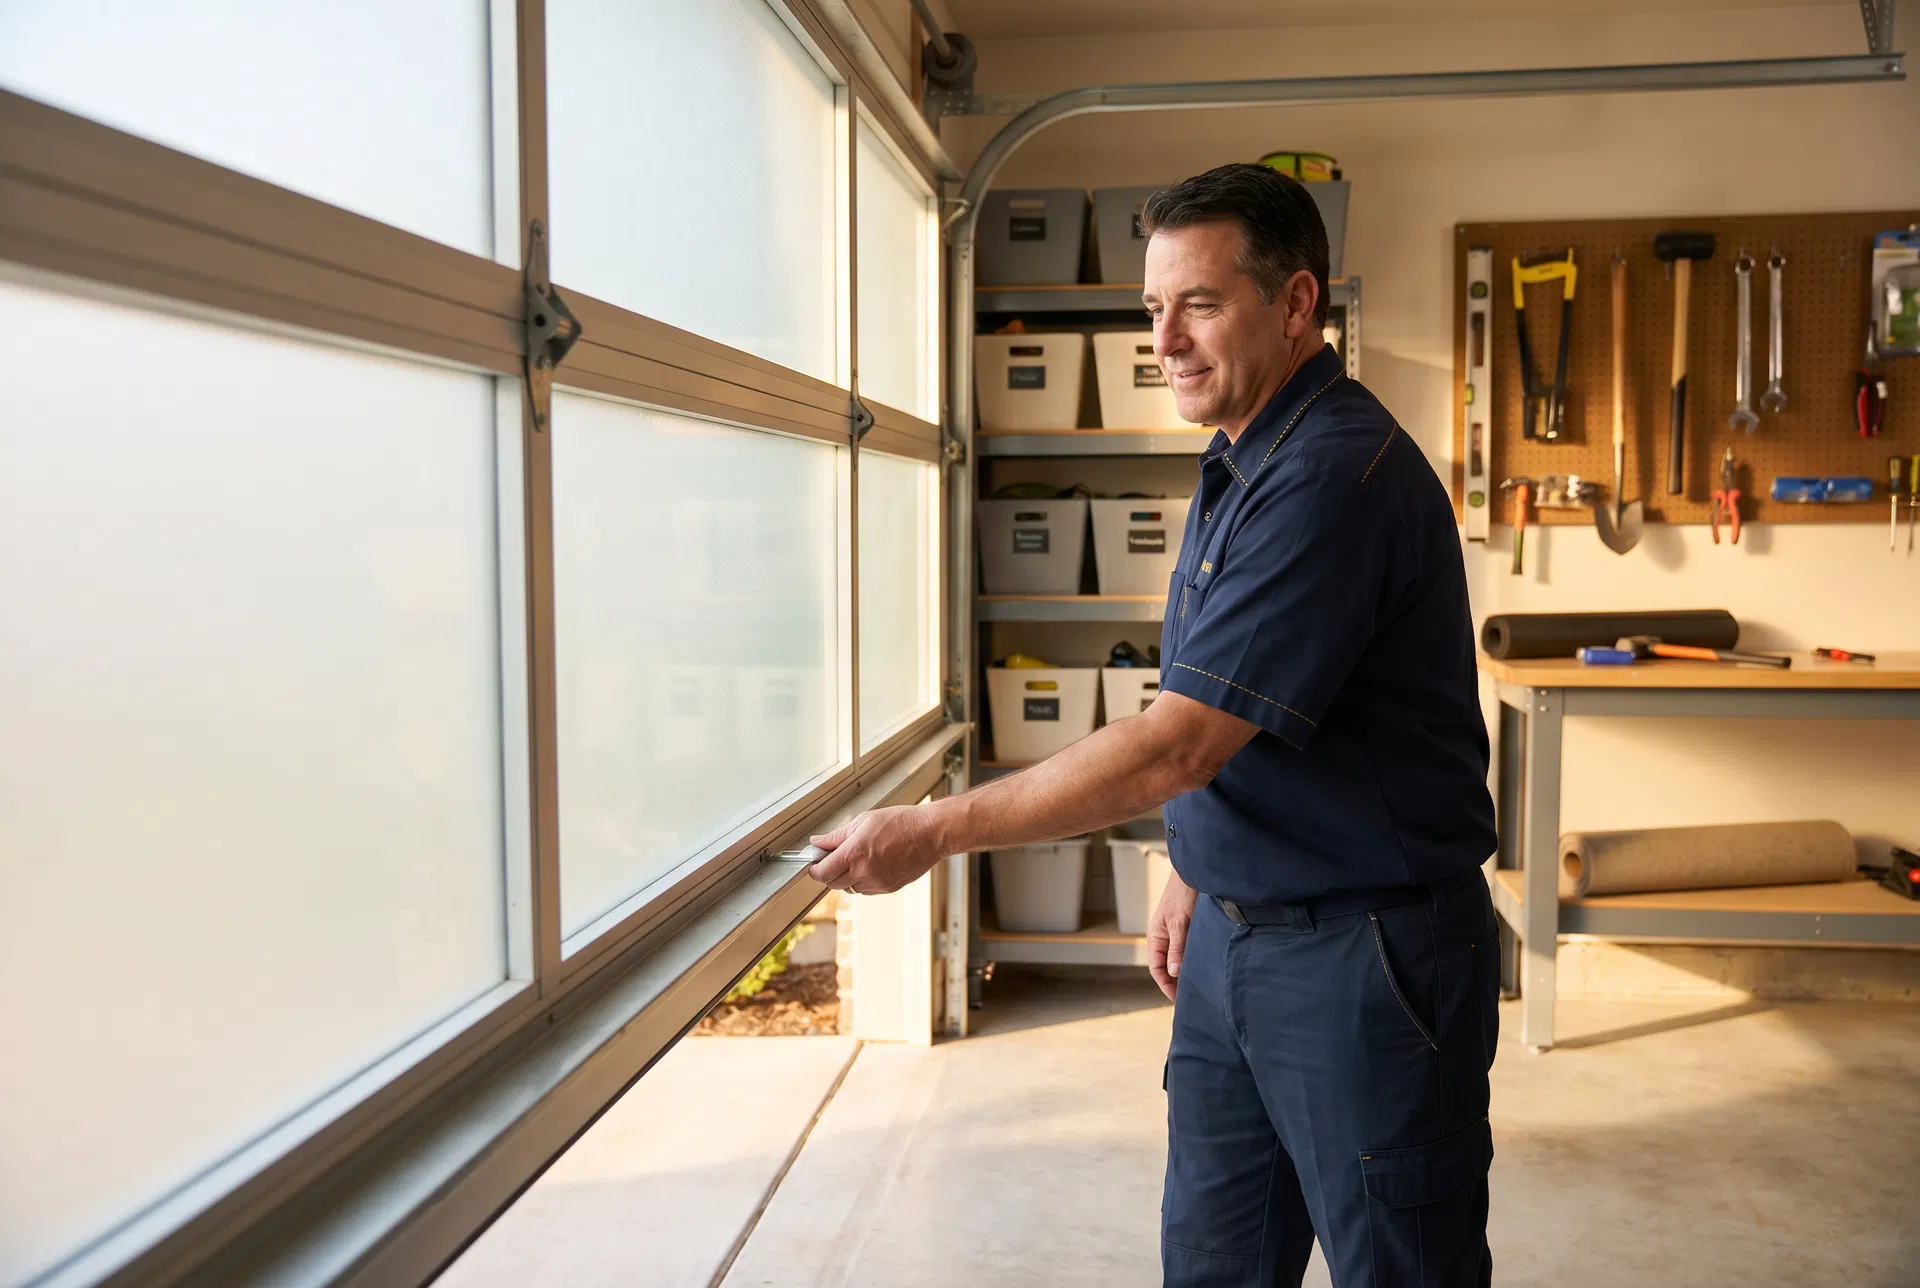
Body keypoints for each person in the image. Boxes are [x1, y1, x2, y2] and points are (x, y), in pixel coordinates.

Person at [807, 162, 1499, 1288]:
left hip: (1361, 958)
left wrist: (932, 831)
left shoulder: (1332, 477)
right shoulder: (1243, 458)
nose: (1165, 340)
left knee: (1399, 1267)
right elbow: (1234, 705)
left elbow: (1178, 742)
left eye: (1200, 304)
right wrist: (1197, 860)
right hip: (1238, 933)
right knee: (1214, 1263)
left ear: (1296, 303)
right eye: (1152, 307)